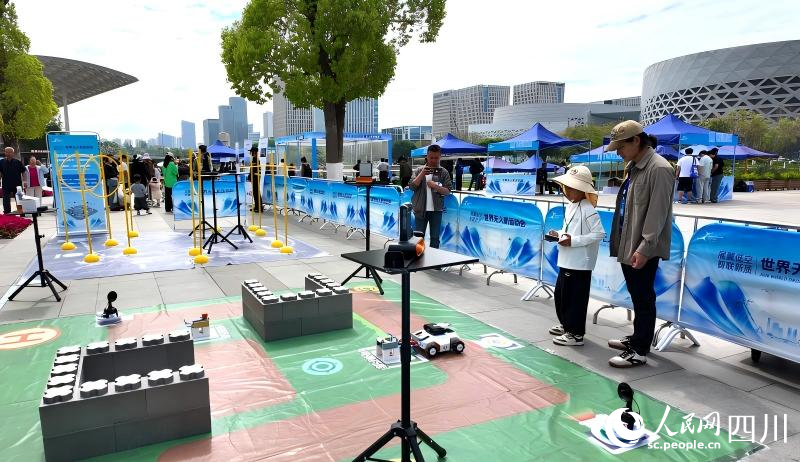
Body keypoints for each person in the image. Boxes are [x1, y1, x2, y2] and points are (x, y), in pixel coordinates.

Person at [605, 120, 674, 368]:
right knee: (637, 295)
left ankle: (639, 350)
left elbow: (658, 213)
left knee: (644, 297)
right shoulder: (634, 166)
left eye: (621, 147)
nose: (618, 153)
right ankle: (637, 338)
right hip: (629, 242)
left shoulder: (660, 168)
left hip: (642, 247)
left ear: (636, 140)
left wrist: (645, 248)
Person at [547, 165, 605, 346]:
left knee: (575, 299)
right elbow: (568, 230)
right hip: (567, 259)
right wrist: (558, 234)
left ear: (582, 189)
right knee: (562, 295)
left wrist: (573, 241)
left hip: (579, 262)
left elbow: (599, 234)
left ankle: (576, 333)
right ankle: (567, 325)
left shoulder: (588, 209)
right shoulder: (572, 206)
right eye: (567, 187)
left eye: (572, 187)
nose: (567, 190)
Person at [408, 145, 452, 248]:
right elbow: (412, 187)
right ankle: (419, 258)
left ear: (440, 157)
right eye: (431, 157)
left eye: (436, 158)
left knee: (435, 239)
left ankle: (434, 258)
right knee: (418, 238)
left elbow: (447, 191)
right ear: (427, 156)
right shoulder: (419, 170)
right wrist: (422, 174)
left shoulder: (444, 172)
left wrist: (435, 186)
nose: (434, 160)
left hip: (436, 211)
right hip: (420, 210)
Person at [0, 147, 25, 214]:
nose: (8, 153)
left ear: (13, 153)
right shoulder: (1, 162)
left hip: (17, 184)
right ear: (5, 153)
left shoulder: (18, 162)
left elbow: (23, 172)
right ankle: (7, 213)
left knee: (19, 199)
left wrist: (25, 181)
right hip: (6, 184)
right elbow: (0, 172)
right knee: (6, 199)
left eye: (10, 152)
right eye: (7, 152)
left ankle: (21, 213)